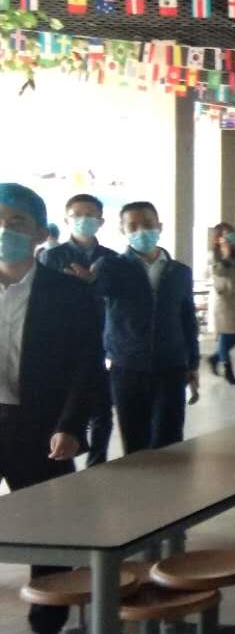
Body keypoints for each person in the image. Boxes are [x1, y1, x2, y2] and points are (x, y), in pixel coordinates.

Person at [0, 184, 103, 634]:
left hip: (41, 429)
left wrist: (71, 425)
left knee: (50, 531)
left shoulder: (69, 295)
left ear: (41, 233)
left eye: (16, 222)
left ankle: (47, 632)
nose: (4, 231)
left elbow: (86, 368)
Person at [84, 202, 199, 453]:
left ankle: (169, 479)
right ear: (122, 230)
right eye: (133, 226)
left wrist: (193, 363)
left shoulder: (179, 271)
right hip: (127, 367)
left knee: (170, 437)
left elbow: (188, 320)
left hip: (171, 366)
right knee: (135, 440)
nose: (141, 231)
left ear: (160, 226)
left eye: (148, 224)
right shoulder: (111, 267)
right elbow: (91, 301)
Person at [39, 193, 117, 465]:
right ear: (66, 220)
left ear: (100, 221)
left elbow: (119, 299)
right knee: (64, 406)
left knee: (103, 410)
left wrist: (92, 284)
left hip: (102, 340)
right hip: (63, 343)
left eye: (90, 215)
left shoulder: (112, 260)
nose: (84, 220)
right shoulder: (52, 257)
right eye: (77, 215)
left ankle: (97, 461)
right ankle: (62, 457)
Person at [206, 222, 235, 385]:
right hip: (223, 299)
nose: (230, 237)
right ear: (218, 238)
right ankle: (228, 369)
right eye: (226, 234)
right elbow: (218, 271)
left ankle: (215, 358)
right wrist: (225, 256)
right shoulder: (214, 254)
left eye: (232, 234)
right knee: (225, 334)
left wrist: (231, 254)